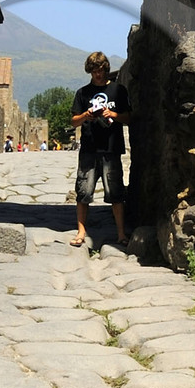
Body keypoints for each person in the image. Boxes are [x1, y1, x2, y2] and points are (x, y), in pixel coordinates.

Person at [69, 50, 129, 249]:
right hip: (89, 148)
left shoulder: (118, 91)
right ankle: (81, 231)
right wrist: (86, 114)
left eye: (101, 70)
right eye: (94, 71)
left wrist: (113, 113)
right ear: (90, 71)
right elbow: (74, 121)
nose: (98, 74)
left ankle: (121, 233)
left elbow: (129, 118)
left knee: (116, 192)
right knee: (83, 191)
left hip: (111, 149)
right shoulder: (82, 93)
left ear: (106, 69)